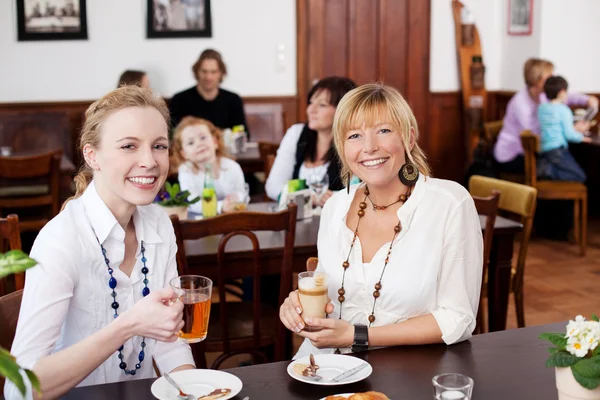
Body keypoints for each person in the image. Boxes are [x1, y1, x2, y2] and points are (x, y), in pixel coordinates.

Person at [4, 86, 194, 399]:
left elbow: (168, 341)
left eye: (158, 146)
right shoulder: (60, 239)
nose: (149, 161)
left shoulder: (159, 222)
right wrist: (129, 325)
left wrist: (195, 391)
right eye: (129, 146)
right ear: (92, 155)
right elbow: (20, 389)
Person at [279, 84, 483, 358]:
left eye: (384, 131)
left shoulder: (449, 204)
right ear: (342, 148)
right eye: (354, 135)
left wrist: (357, 336)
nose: (369, 147)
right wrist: (298, 303)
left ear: (409, 139)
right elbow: (325, 291)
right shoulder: (335, 207)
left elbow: (457, 319)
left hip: (411, 369)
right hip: (325, 366)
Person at [494, 58, 598, 174]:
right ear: (537, 80)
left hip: (535, 151)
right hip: (513, 156)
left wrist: (587, 99)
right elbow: (537, 134)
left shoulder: (544, 96)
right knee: (570, 169)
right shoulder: (520, 103)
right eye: (549, 76)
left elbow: (564, 96)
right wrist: (572, 129)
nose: (553, 79)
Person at [265, 77, 357, 204]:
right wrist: (304, 199)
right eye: (311, 103)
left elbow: (359, 191)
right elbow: (273, 186)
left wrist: (336, 198)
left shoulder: (355, 140)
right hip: (298, 220)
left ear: (343, 110)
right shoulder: (296, 133)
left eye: (322, 105)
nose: (311, 110)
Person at [171, 116, 246, 213]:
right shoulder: (186, 171)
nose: (199, 144)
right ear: (184, 154)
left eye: (203, 138)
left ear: (215, 142)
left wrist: (235, 199)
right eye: (191, 143)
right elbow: (192, 202)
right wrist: (221, 206)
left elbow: (241, 193)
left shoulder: (232, 166)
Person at [169, 49, 249, 135]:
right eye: (204, 71)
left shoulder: (234, 100)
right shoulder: (179, 100)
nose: (208, 77)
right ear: (197, 72)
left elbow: (243, 135)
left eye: (213, 72)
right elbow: (172, 134)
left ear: (221, 73)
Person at [537, 76, 592, 182]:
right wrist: (582, 138)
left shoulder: (541, 108)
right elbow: (569, 134)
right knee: (580, 176)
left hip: (543, 150)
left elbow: (553, 126)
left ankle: (546, 168)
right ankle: (547, 170)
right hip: (557, 150)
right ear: (562, 92)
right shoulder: (563, 110)